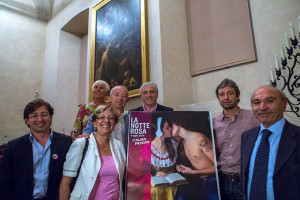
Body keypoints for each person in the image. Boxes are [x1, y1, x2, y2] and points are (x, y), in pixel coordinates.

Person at [0, 99, 72, 200]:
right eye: (34, 115)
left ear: (51, 117)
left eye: (44, 114)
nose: (40, 119)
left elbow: (73, 178)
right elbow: (4, 183)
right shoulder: (14, 147)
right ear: (27, 120)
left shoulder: (66, 143)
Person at [241, 85, 300, 200]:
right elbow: (245, 178)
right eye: (256, 102)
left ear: (284, 104)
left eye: (270, 101)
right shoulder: (247, 137)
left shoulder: (297, 136)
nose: (262, 107)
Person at [59, 105, 126, 200]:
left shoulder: (119, 146)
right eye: (101, 117)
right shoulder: (82, 143)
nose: (106, 121)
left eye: (110, 118)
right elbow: (65, 182)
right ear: (94, 122)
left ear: (115, 124)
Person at [212, 78, 259, 200]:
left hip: (246, 178)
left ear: (237, 96)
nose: (226, 97)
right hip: (221, 180)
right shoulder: (212, 123)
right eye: (222, 94)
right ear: (218, 99)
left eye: (230, 93)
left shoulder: (253, 118)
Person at [170, 114, 218, 200]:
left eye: (171, 125)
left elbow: (217, 167)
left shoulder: (200, 139)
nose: (170, 129)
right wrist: (184, 169)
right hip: (199, 182)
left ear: (179, 124)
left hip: (212, 181)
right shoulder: (183, 142)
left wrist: (193, 172)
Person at [150, 117, 178, 200]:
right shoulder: (147, 148)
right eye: (167, 127)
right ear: (158, 131)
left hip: (172, 185)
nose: (170, 129)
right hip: (156, 186)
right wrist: (153, 175)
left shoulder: (172, 143)